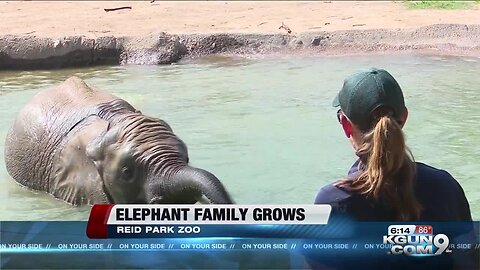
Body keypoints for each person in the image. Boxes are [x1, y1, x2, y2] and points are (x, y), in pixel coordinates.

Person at [309, 68, 476, 270]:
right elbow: (469, 259)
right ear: (403, 118)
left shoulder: (333, 203)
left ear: (346, 125)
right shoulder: (445, 187)